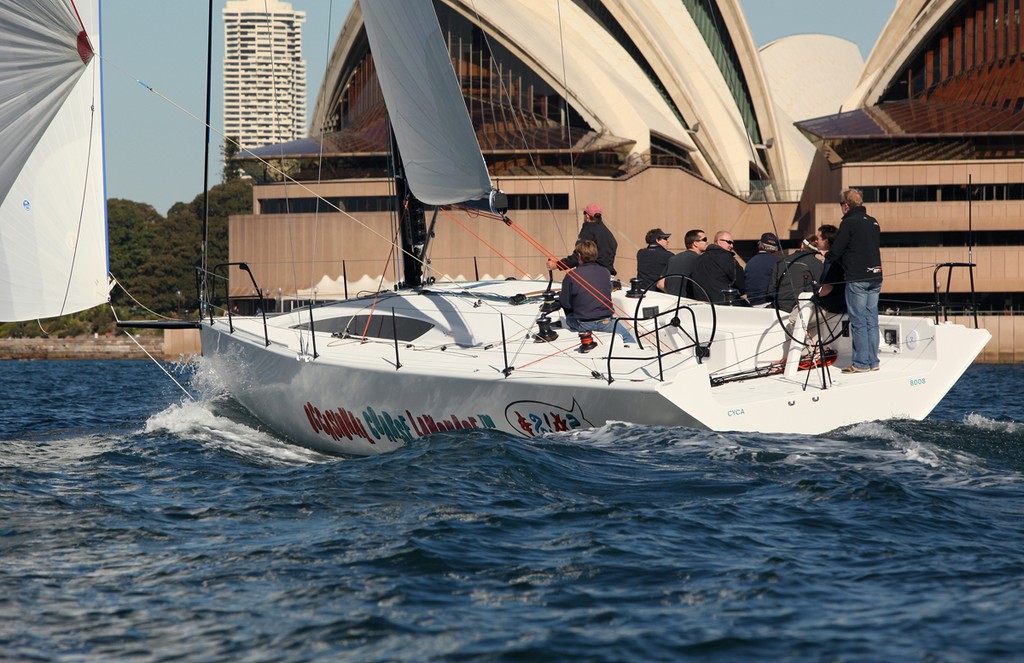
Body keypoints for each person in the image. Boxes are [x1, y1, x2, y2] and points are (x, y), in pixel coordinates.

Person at [826, 188, 882, 373]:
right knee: (871, 321)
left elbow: (837, 250)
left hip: (857, 278)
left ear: (846, 205)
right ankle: (873, 362)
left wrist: (828, 255)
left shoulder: (849, 223)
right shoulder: (873, 222)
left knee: (858, 321)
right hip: (875, 276)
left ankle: (860, 363)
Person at [559, 240, 635, 343]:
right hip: (606, 322)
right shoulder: (605, 272)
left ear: (580, 256)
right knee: (628, 338)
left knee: (568, 318)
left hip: (584, 324)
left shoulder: (571, 275)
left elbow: (566, 303)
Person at [547, 203, 618, 275]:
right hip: (607, 276)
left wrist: (557, 265)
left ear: (587, 216)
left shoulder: (588, 230)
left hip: (591, 275)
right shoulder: (607, 233)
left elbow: (578, 256)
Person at [768, 233, 822, 313]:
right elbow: (821, 289)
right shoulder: (817, 264)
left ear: (802, 245)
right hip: (803, 311)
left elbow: (771, 291)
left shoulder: (780, 262)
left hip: (780, 311)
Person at [692, 231, 746, 304]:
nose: (731, 246)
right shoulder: (727, 258)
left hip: (703, 305)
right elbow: (741, 282)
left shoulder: (699, 259)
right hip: (724, 305)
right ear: (718, 242)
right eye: (729, 242)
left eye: (733, 243)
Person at [657, 229, 708, 297]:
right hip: (689, 304)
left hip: (672, 301)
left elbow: (660, 284)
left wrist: (674, 294)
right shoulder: (700, 259)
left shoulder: (673, 259)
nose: (707, 242)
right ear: (695, 243)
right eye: (704, 239)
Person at [744, 232, 782, 305]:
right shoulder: (778, 262)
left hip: (752, 304)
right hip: (770, 304)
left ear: (760, 245)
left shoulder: (750, 262)